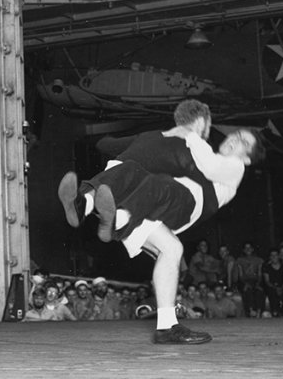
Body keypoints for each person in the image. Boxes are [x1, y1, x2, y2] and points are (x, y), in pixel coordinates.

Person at [59, 100, 262, 343]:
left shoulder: (235, 167)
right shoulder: (197, 151)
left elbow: (208, 166)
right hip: (153, 210)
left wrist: (190, 131)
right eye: (236, 134)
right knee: (167, 239)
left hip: (184, 204)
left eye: (244, 142)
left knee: (158, 184)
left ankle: (119, 219)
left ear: (248, 159)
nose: (235, 139)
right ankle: (85, 204)